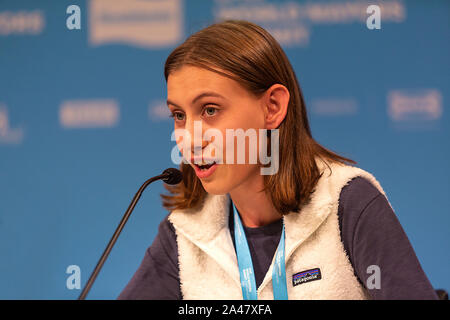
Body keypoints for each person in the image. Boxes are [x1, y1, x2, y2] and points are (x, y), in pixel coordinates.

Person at [118, 20, 438, 300]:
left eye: (210, 110)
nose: (189, 137)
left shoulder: (348, 202)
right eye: (178, 115)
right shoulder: (185, 232)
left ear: (272, 107)